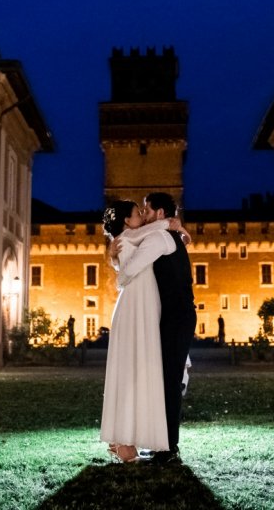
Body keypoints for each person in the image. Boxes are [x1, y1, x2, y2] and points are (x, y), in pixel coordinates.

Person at [115, 192, 196, 465]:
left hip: (177, 318)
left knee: (169, 383)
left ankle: (169, 450)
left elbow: (131, 270)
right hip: (172, 318)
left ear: (160, 213)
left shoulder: (159, 239)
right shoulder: (163, 235)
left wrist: (119, 268)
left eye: (147, 211)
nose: (145, 216)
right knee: (164, 381)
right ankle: (163, 445)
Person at [100, 199, 174, 462]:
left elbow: (125, 263)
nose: (142, 217)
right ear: (125, 221)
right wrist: (172, 223)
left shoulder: (124, 238)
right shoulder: (132, 234)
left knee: (130, 368)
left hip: (136, 301)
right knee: (135, 367)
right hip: (136, 304)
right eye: (137, 214)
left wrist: (114, 262)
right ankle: (123, 444)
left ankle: (119, 439)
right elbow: (155, 231)